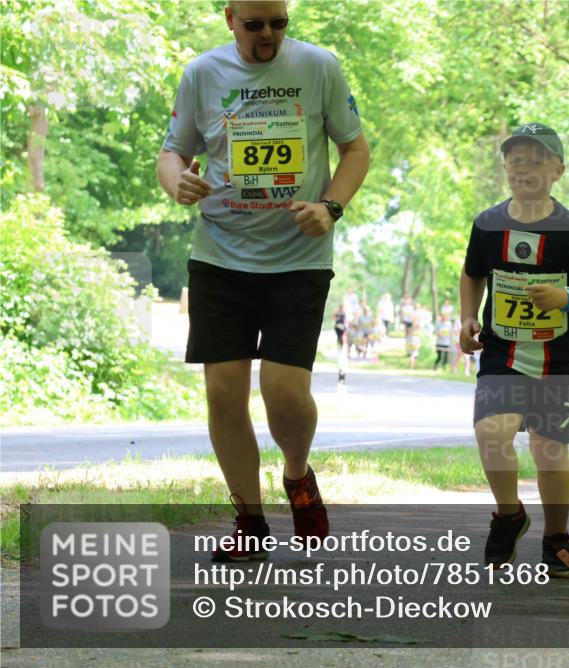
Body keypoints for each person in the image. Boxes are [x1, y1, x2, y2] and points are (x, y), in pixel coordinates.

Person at [157, 0, 370, 561]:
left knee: (283, 391)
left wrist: (331, 206)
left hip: (298, 257)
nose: (268, 35)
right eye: (255, 25)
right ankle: (249, 522)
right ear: (230, 19)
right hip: (221, 256)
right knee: (224, 395)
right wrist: (177, 182)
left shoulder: (319, 66)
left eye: (279, 23)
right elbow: (172, 152)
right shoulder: (202, 73)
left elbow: (355, 149)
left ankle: (297, 475)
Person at [459, 123, 569, 577]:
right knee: (490, 433)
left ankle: (556, 535)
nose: (525, 169)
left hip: (558, 356)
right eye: (517, 160)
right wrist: (467, 316)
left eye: (537, 161)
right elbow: (472, 274)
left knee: (548, 449)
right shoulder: (487, 223)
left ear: (557, 170)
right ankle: (509, 514)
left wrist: (563, 298)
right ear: (505, 167)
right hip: (502, 350)